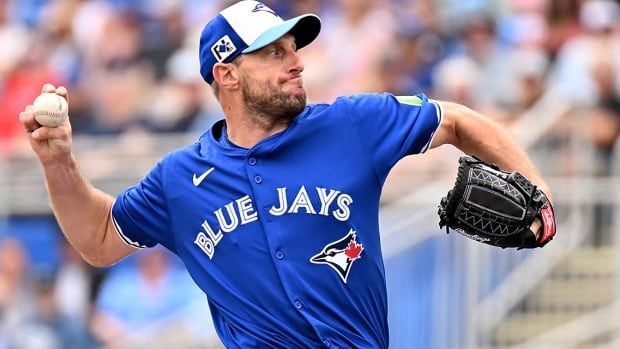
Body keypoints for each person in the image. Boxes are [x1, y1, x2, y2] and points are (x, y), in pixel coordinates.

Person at [19, 1, 553, 348]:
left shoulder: (350, 125)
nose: (295, 62)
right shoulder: (180, 179)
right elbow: (98, 239)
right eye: (274, 53)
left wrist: (540, 197)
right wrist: (58, 160)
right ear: (226, 74)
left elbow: (457, 120)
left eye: (294, 48)